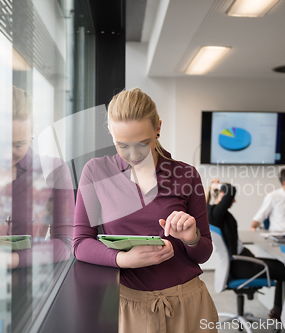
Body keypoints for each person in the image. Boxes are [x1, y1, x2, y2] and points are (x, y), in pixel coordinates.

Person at [73, 88, 218, 333]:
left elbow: (204, 253)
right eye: (122, 145)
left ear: (158, 128)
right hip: (127, 307)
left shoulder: (186, 174)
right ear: (110, 133)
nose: (133, 155)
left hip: (188, 303)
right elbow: (80, 243)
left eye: (143, 143)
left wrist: (192, 238)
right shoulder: (96, 172)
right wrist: (123, 259)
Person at [5, 86, 74, 268]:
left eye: (18, 144)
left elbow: (66, 242)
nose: (6, 153)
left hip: (34, 286)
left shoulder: (54, 170)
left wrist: (12, 261)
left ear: (32, 132)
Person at [206, 178, 285, 320]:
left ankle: (277, 310)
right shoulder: (215, 214)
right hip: (240, 266)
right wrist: (215, 185)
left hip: (241, 262)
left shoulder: (214, 213)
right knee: (284, 269)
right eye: (232, 198)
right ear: (224, 194)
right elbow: (231, 191)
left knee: (279, 264)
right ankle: (279, 312)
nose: (234, 201)